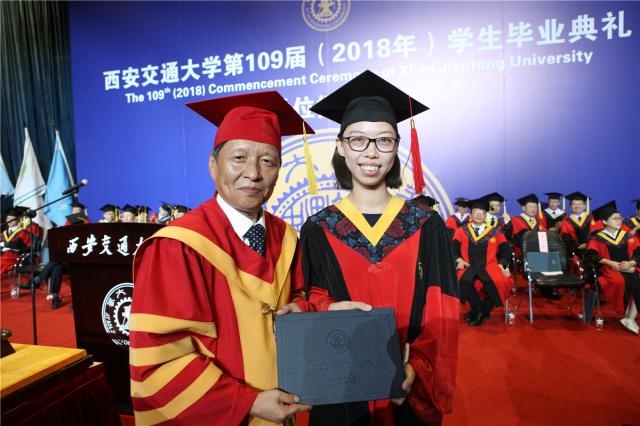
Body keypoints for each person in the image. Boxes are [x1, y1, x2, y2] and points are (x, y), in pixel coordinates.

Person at [129, 91, 313, 424]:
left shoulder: (286, 237)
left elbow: (301, 294)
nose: (253, 173)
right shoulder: (178, 246)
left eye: (268, 161)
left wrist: (300, 308)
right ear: (213, 166)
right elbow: (160, 359)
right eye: (238, 158)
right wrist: (248, 402)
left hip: (285, 409)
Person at [304, 70, 459, 425]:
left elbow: (442, 309)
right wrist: (326, 308)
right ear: (341, 146)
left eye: (384, 140)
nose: (371, 152)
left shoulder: (425, 225)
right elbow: (310, 295)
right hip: (342, 382)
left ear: (397, 147)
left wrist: (416, 367)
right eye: (358, 139)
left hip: (405, 384)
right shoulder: (318, 228)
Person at [453, 197, 514, 326]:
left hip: (489, 265)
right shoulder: (462, 230)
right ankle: (480, 311)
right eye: (476, 212)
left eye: (482, 213)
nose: (479, 215)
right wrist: (458, 259)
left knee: (501, 282)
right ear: (471, 214)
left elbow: (505, 250)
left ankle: (481, 311)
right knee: (461, 280)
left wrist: (503, 265)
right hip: (468, 265)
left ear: (486, 216)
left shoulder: (495, 232)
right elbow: (453, 248)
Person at [585, 201, 640, 334]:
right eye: (615, 218)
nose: (619, 220)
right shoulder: (597, 238)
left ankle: (630, 317)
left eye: (620, 218)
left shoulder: (627, 236)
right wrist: (610, 263)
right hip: (608, 269)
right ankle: (624, 313)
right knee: (619, 281)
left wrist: (632, 263)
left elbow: (638, 252)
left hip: (628, 267)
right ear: (605, 221)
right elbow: (591, 256)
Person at [503, 193, 559, 300]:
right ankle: (545, 288)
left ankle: (550, 284)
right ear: (523, 208)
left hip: (539, 251)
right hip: (521, 252)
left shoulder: (538, 222)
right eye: (530, 207)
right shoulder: (515, 220)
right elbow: (511, 238)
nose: (533, 209)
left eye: (535, 207)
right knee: (541, 257)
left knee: (553, 256)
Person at [559, 192, 598, 259]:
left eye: (580, 204)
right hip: (576, 252)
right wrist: (578, 246)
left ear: (584, 206)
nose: (577, 206)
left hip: (592, 249)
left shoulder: (592, 218)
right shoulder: (566, 221)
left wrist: (589, 244)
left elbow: (596, 232)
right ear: (570, 206)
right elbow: (566, 238)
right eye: (574, 204)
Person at [0, 208, 31, 275]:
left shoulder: (23, 232)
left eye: (12, 219)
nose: (10, 221)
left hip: (15, 256)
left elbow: (18, 245)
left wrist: (4, 244)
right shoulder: (4, 233)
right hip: (3, 255)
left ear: (18, 220)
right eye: (8, 219)